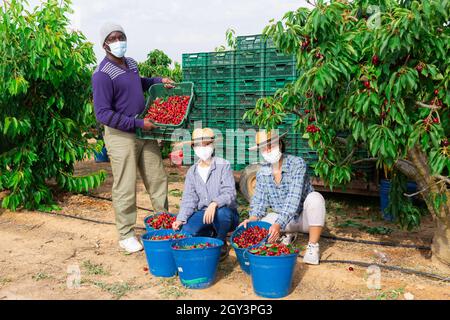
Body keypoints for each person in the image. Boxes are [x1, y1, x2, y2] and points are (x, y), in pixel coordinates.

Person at [92, 22, 174, 253]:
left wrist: (158, 81)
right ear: (105, 44)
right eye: (114, 38)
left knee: (157, 177)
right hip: (121, 135)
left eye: (122, 36)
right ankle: (126, 233)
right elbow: (103, 114)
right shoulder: (102, 75)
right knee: (125, 184)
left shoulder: (131, 64)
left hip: (143, 130)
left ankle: (163, 222)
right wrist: (138, 123)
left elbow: (140, 83)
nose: (119, 41)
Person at [240, 130, 326, 265]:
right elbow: (259, 202)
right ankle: (288, 234)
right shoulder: (263, 172)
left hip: (304, 219)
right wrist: (252, 219)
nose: (268, 150)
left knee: (316, 198)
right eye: (264, 147)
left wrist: (278, 223)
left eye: (271, 145)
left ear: (280, 143)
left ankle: (312, 246)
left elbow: (294, 198)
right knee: (261, 225)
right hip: (283, 221)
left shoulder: (297, 164)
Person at [172, 128, 239, 260]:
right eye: (198, 145)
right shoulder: (192, 172)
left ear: (212, 145)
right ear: (193, 147)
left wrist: (215, 203)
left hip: (225, 214)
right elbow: (188, 199)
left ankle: (220, 241)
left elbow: (230, 193)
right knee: (187, 231)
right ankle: (210, 233)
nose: (203, 148)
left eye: (206, 144)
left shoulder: (223, 165)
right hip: (204, 214)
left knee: (222, 214)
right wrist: (180, 218)